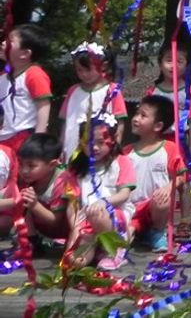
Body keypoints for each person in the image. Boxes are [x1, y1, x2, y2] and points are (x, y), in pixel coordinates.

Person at [64, 115, 136, 270]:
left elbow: (124, 194)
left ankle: (114, 248)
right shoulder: (76, 166)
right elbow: (73, 201)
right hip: (86, 218)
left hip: (113, 214)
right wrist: (75, 225)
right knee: (74, 261)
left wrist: (104, 202)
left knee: (98, 214)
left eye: (100, 143)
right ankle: (95, 246)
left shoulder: (121, 161)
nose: (94, 147)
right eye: (89, 143)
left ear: (113, 140)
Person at [124, 97, 187, 252]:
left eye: (143, 115)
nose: (136, 119)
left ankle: (156, 233)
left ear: (158, 125)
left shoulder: (170, 148)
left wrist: (169, 187)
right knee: (121, 243)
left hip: (155, 208)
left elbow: (182, 176)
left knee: (162, 199)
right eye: (136, 114)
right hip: (131, 210)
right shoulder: (126, 152)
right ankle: (136, 232)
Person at [60, 43, 126, 162]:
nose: (84, 74)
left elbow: (120, 123)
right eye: (80, 70)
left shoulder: (112, 90)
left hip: (101, 149)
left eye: (89, 69)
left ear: (102, 66)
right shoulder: (73, 91)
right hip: (73, 147)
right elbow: (66, 122)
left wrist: (115, 147)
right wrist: (61, 147)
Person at [0, 24, 52, 152]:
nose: (2, 43)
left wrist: (38, 138)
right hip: (3, 138)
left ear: (25, 53)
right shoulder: (3, 76)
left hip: (23, 139)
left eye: (10, 41)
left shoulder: (34, 74)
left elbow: (43, 105)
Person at [17, 133, 71, 241]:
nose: (24, 170)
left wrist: (35, 205)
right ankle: (31, 240)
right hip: (40, 229)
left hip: (62, 231)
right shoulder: (27, 178)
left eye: (31, 166)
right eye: (21, 164)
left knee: (28, 200)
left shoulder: (61, 181)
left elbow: (55, 222)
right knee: (23, 201)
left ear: (52, 165)